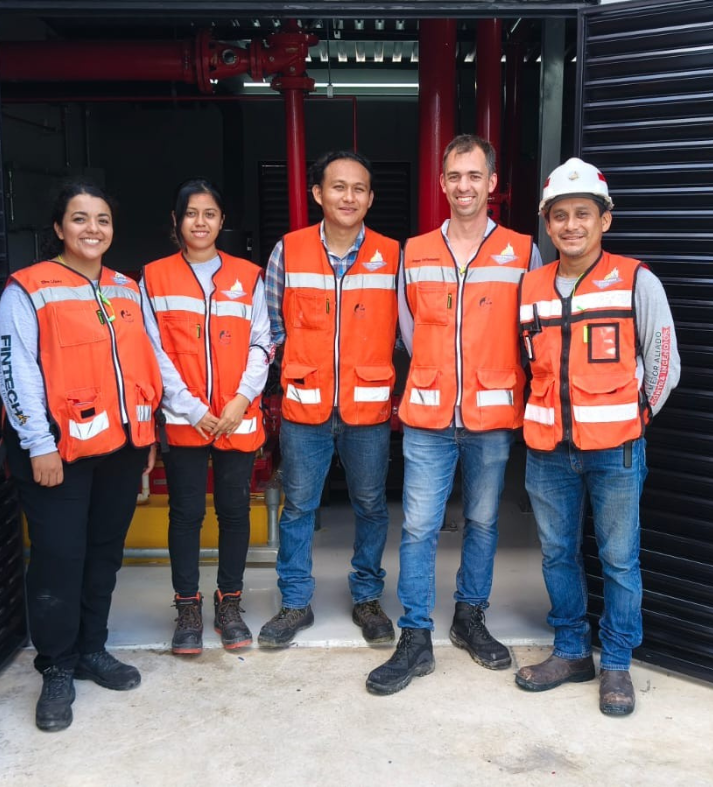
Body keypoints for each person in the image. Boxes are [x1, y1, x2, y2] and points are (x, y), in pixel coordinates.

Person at [367, 134, 543, 695]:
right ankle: (415, 635)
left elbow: (530, 332)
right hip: (428, 414)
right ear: (441, 183)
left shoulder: (521, 250)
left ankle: (470, 619)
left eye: (475, 176)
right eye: (454, 176)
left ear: (492, 183)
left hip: (491, 416)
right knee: (418, 527)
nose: (464, 186)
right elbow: (408, 329)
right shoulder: (414, 251)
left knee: (484, 522)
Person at [514, 157, 680, 716]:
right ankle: (569, 651)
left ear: (604, 219)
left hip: (617, 449)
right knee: (558, 554)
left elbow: (663, 362)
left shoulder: (636, 278)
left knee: (618, 559)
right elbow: (525, 362)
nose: (571, 225)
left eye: (583, 213)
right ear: (548, 223)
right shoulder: (530, 286)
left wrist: (637, 417)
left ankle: (615, 665)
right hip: (547, 451)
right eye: (559, 216)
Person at [0, 182, 162, 732]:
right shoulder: (29, 289)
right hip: (56, 454)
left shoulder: (126, 289)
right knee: (58, 560)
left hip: (118, 448)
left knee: (102, 556)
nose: (94, 229)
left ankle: (93, 649)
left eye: (103, 220)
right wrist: (37, 443)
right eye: (81, 219)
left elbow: (143, 366)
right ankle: (57, 665)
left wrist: (147, 434)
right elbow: (14, 370)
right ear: (59, 228)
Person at [258, 151, 401, 648]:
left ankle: (366, 598)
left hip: (367, 408)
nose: (349, 197)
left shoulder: (392, 255)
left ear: (370, 198)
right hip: (305, 405)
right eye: (338, 187)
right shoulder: (289, 251)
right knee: (298, 506)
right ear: (318, 193)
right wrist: (296, 369)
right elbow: (270, 324)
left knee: (370, 505)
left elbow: (407, 329)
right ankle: (295, 603)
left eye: (359, 188)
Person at [141, 178, 271, 654]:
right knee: (186, 514)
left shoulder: (249, 275)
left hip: (239, 417)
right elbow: (152, 351)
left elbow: (262, 341)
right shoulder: (153, 278)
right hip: (185, 419)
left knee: (235, 512)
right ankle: (188, 606)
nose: (201, 222)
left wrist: (239, 401)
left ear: (222, 221)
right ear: (176, 222)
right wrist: (194, 408)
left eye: (210, 214)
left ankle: (229, 602)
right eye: (191, 213)